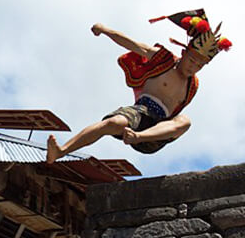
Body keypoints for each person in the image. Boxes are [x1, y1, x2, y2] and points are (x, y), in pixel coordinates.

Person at [46, 11, 232, 163]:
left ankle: (138, 137)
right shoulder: (163, 59)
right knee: (113, 123)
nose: (194, 67)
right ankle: (62, 151)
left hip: (155, 132)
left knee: (185, 121)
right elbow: (131, 43)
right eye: (192, 61)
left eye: (200, 66)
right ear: (184, 53)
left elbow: (175, 121)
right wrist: (104, 30)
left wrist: (142, 136)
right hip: (140, 112)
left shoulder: (193, 85)